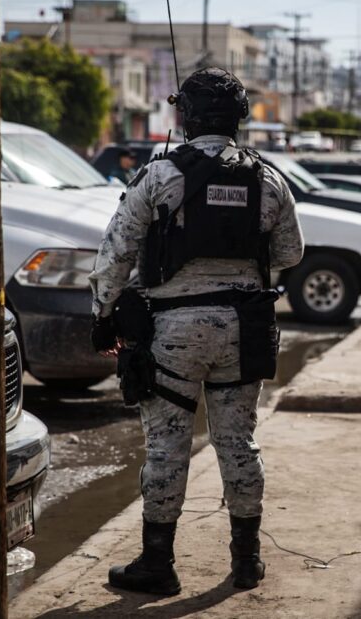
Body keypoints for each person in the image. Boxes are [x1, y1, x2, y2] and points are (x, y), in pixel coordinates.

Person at [88, 67, 304, 595]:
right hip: (243, 329)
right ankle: (246, 562)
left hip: (173, 334)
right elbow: (289, 254)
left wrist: (102, 313)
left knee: (166, 447)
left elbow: (116, 254)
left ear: (185, 117)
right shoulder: (269, 179)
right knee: (239, 443)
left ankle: (157, 566)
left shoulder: (159, 176)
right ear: (239, 118)